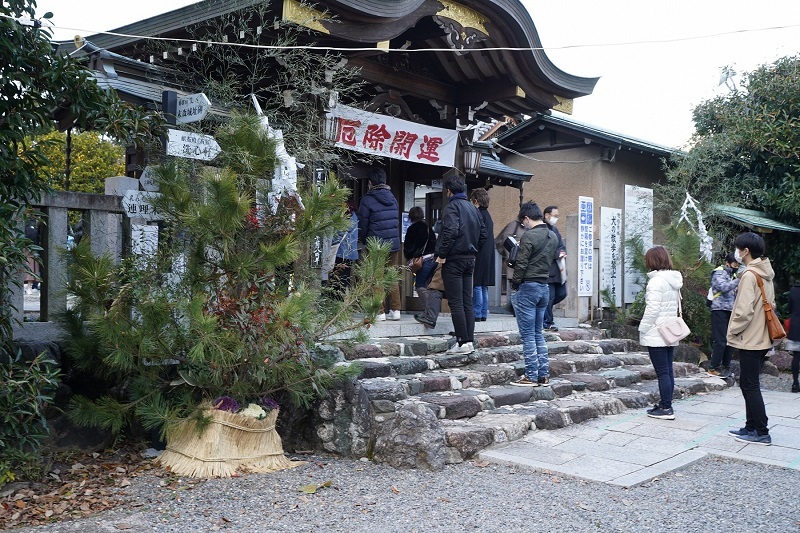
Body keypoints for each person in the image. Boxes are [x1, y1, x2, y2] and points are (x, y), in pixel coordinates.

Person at [726, 232, 774, 445]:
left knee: (750, 385)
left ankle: (762, 431)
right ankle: (750, 426)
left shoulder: (749, 275)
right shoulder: (765, 273)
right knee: (748, 383)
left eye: (738, 249)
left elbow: (743, 312)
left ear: (745, 251)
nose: (736, 252)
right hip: (762, 336)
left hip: (750, 338)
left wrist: (732, 331)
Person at [435, 175, 486, 354]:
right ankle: (468, 341)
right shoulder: (473, 208)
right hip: (470, 258)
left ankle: (462, 342)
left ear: (449, 191)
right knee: (467, 302)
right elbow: (484, 235)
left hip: (454, 258)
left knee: (456, 303)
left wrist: (442, 254)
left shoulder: (452, 207)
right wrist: (473, 250)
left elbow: (450, 231)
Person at [509, 202, 558, 387]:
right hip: (544, 288)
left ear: (527, 218)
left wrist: (515, 284)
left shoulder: (529, 236)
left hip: (528, 288)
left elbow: (521, 264)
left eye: (524, 222)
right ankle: (543, 375)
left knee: (528, 335)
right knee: (538, 333)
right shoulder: (552, 236)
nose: (524, 225)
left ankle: (530, 375)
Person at [638, 245, 683, 420]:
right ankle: (666, 404)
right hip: (670, 330)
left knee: (663, 372)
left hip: (656, 332)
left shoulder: (656, 281)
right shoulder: (673, 280)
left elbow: (652, 309)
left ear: (652, 261)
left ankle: (666, 407)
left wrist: (642, 328)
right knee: (668, 371)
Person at [357, 167, 401, 321]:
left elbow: (363, 224)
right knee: (391, 275)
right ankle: (395, 310)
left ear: (370, 182)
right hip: (393, 243)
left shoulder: (367, 199)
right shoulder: (392, 198)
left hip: (376, 244)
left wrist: (364, 240)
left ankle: (379, 311)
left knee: (376, 277)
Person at [707, 252, 740, 376]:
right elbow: (724, 287)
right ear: (727, 263)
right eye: (735, 264)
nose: (737, 266)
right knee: (720, 340)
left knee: (730, 340)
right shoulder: (719, 273)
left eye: (738, 264)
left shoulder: (733, 275)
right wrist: (739, 280)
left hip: (731, 310)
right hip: (719, 309)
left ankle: (726, 367)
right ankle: (713, 367)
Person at [403, 206, 437, 325]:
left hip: (423, 260)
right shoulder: (428, 227)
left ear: (411, 216)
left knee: (420, 285)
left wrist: (410, 256)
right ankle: (429, 312)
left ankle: (429, 313)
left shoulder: (412, 229)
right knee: (428, 286)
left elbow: (409, 247)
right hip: (433, 259)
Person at [470, 188, 495, 322]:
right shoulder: (488, 215)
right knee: (483, 285)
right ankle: (484, 312)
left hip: (479, 252)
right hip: (488, 252)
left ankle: (477, 313)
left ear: (476, 201)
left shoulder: (478, 214)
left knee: (477, 284)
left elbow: (477, 235)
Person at [494, 217, 526, 315]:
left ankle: (516, 307)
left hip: (524, 263)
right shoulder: (515, 225)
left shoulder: (529, 227)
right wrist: (511, 255)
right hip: (513, 261)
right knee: (515, 285)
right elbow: (505, 238)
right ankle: (515, 308)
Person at [543, 206, 567, 331]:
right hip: (548, 271)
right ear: (547, 215)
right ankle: (548, 322)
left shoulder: (555, 230)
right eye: (555, 215)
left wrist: (562, 252)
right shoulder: (542, 230)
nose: (556, 218)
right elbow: (544, 249)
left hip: (558, 270)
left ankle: (543, 314)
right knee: (549, 297)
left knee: (562, 294)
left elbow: (561, 246)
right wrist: (558, 254)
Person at [329, 201, 359, 292]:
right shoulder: (353, 215)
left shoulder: (339, 214)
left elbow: (337, 234)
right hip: (350, 252)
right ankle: (341, 298)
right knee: (344, 280)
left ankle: (335, 298)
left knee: (336, 280)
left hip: (339, 252)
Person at [787, 279, 800, 393]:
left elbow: (789, 309)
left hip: (796, 326)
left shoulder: (794, 290)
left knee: (796, 356)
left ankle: (795, 383)